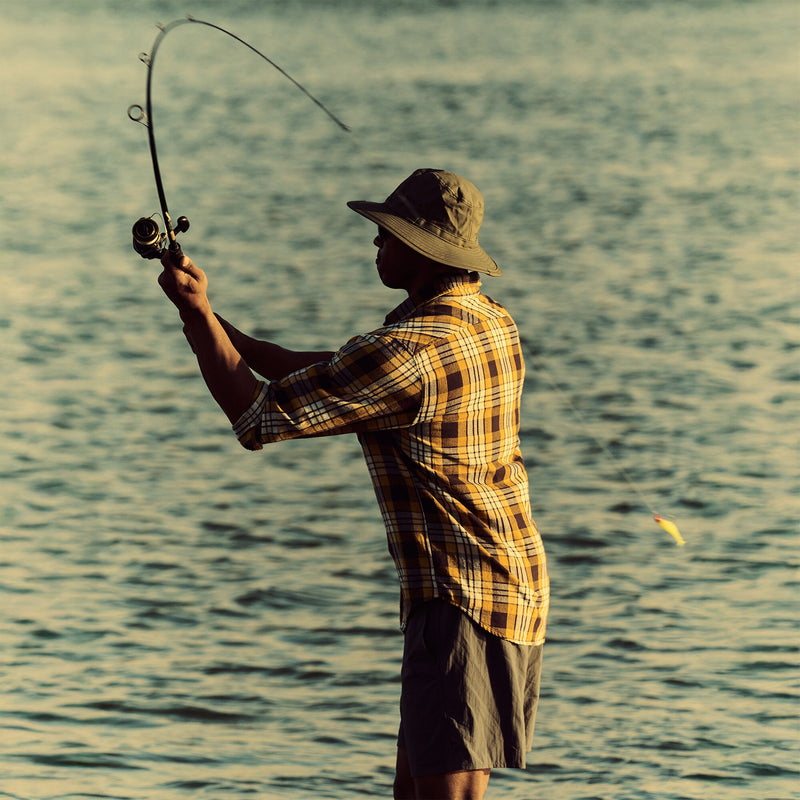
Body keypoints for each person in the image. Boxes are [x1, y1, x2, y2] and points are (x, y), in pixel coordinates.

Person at [157, 168, 549, 800]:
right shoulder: (487, 322)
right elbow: (313, 370)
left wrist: (196, 318)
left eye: (385, 236)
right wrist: (206, 311)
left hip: (458, 600)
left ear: (421, 251)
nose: (375, 246)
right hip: (511, 585)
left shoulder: (406, 352)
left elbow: (257, 417)